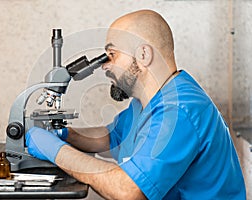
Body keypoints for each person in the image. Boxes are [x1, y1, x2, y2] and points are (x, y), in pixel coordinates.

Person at [25, 10, 246, 199]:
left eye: (111, 55)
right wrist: (65, 134)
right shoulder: (150, 101)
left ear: (143, 54)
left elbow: (129, 192)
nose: (105, 67)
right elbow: (113, 137)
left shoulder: (178, 111)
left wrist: (55, 150)